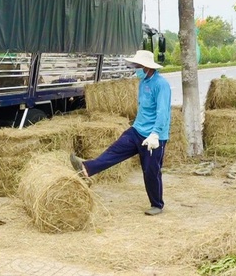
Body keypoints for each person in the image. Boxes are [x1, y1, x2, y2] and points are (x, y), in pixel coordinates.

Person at [70, 50, 171, 216]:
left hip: (153, 136)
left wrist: (155, 134)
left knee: (151, 170)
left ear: (146, 66)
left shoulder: (161, 85)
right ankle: (86, 169)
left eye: (137, 65)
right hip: (137, 130)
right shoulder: (143, 82)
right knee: (115, 150)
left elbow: (162, 112)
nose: (135, 68)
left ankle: (157, 204)